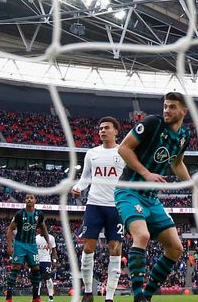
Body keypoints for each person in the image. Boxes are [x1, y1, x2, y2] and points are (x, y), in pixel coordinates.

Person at [114, 92, 198, 302]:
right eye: (165, 106)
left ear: (184, 111)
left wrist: (193, 190)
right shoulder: (152, 123)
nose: (166, 110)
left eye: (172, 107)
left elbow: (177, 163)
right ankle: (137, 297)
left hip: (151, 198)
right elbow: (124, 148)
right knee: (142, 236)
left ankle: (147, 296)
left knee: (176, 248)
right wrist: (146, 173)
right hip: (129, 190)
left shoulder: (184, 136)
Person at [71, 117, 126, 302]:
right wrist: (78, 187)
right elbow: (85, 177)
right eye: (100, 128)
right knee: (88, 247)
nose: (102, 131)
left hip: (117, 206)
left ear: (116, 131)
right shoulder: (92, 153)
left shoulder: (125, 151)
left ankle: (109, 297)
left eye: (107, 128)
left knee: (115, 248)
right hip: (94, 204)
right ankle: (88, 292)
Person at [5, 193, 55, 302]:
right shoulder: (19, 214)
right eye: (27, 198)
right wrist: (10, 245)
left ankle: (36, 297)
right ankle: (8, 297)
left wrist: (49, 242)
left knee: (36, 269)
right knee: (16, 268)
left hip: (32, 245)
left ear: (35, 200)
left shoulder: (39, 215)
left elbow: (44, 228)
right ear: (25, 200)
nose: (29, 199)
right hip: (20, 244)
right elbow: (10, 229)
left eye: (31, 198)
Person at [35, 233, 59, 302]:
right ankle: (37, 297)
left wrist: (54, 260)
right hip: (37, 260)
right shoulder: (36, 238)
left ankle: (51, 297)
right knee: (37, 279)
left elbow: (54, 250)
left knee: (47, 278)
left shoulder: (51, 237)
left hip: (46, 260)